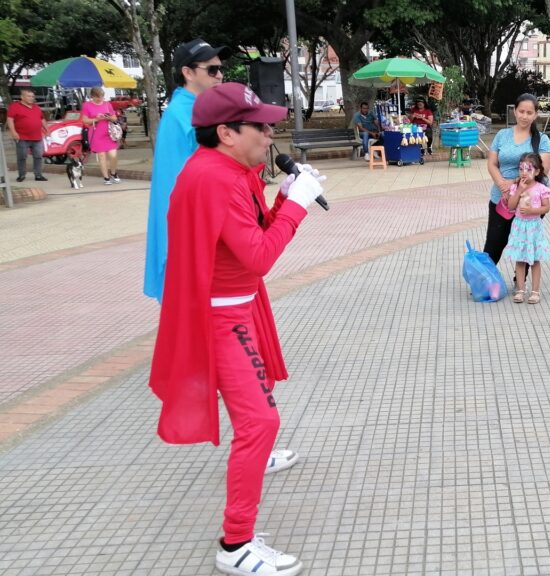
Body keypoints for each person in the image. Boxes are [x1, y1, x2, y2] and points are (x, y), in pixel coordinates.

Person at [150, 82, 325, 576]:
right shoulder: (213, 177)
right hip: (221, 314)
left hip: (239, 306)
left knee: (259, 412)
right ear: (226, 132)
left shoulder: (231, 170)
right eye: (261, 127)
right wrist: (297, 206)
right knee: (260, 423)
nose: (270, 136)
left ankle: (241, 530)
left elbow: (251, 236)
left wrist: (285, 197)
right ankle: (236, 544)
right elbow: (261, 255)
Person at [145, 38, 230, 302]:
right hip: (190, 226)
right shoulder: (187, 114)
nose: (220, 75)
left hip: (194, 221)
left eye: (220, 68)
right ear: (188, 72)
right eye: (211, 69)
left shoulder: (193, 110)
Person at [484, 93, 550, 265]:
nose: (524, 116)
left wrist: (514, 183)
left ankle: (520, 284)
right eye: (521, 111)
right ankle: (485, 281)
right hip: (500, 197)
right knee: (494, 243)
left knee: (524, 243)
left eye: (529, 112)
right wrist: (502, 185)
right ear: (514, 111)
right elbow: (492, 163)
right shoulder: (502, 135)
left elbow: (543, 170)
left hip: (528, 200)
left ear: (535, 114)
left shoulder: (542, 140)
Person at [505, 152, 550, 304]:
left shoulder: (540, 188)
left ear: (537, 171)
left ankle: (535, 291)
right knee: (520, 259)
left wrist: (533, 211)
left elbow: (546, 208)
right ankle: (520, 289)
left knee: (535, 260)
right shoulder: (516, 187)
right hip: (519, 226)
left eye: (528, 169)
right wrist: (519, 190)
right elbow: (511, 207)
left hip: (534, 227)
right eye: (521, 169)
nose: (524, 172)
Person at [5, 88, 49, 182]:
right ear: (22, 97)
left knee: (38, 156)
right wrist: (13, 132)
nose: (31, 98)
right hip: (22, 137)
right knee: (22, 157)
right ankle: (21, 175)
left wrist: (47, 129)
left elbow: (42, 119)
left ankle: (38, 175)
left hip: (37, 137)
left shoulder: (36, 107)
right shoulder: (15, 106)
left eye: (32, 96)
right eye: (29, 96)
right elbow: (10, 119)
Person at [81, 87, 121, 184]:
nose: (100, 99)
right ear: (92, 96)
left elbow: (114, 118)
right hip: (96, 133)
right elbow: (84, 120)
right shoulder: (87, 105)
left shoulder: (107, 104)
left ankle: (113, 172)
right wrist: (96, 119)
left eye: (102, 97)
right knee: (102, 156)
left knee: (113, 155)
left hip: (109, 133)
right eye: (97, 97)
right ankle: (106, 177)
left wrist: (109, 117)